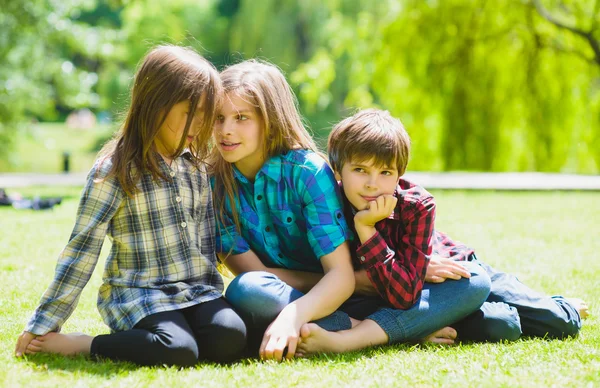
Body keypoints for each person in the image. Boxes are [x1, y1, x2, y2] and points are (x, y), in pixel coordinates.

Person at [14, 45, 247, 367]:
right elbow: (81, 251)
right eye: (191, 114)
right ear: (156, 105)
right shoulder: (115, 171)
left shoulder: (196, 167)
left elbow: (206, 241)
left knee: (231, 336)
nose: (202, 125)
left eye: (207, 115)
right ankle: (85, 344)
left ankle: (177, 335)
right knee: (176, 349)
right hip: (140, 294)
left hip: (195, 292)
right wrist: (45, 323)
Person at [295, 109, 589, 356]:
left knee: (560, 322)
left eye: (385, 173)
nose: (372, 184)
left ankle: (558, 305)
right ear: (338, 169)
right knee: (502, 325)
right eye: (360, 170)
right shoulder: (326, 206)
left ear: (400, 174)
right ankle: (427, 324)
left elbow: (404, 294)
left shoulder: (416, 206)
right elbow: (398, 296)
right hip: (405, 296)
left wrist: (367, 229)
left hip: (454, 273)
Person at [209, 60, 356, 361]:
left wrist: (293, 315)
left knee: (476, 298)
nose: (225, 130)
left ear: (270, 120)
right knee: (247, 290)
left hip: (346, 295)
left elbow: (341, 278)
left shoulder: (308, 173)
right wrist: (350, 280)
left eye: (241, 118)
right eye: (218, 117)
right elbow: (256, 276)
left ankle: (361, 327)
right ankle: (369, 328)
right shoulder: (214, 186)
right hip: (283, 296)